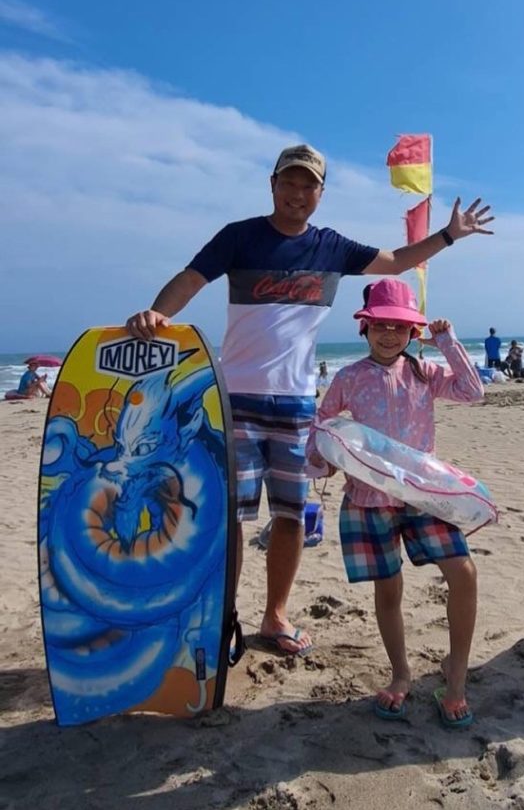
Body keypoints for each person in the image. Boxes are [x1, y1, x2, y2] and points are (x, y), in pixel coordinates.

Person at [125, 144, 493, 656]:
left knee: (291, 515)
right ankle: (222, 618)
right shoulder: (239, 237)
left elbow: (395, 261)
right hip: (237, 399)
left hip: (298, 404)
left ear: (321, 193)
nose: (298, 193)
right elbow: (191, 278)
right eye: (289, 182)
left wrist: (449, 235)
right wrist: (157, 314)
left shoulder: (330, 247)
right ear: (273, 184)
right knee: (230, 518)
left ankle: (275, 615)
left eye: (309, 186)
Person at [306, 278, 482, 727]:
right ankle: (401, 674)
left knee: (463, 573)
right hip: (369, 499)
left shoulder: (424, 373)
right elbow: (322, 423)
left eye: (400, 326)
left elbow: (473, 390)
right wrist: (321, 460)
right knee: (388, 589)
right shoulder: (348, 378)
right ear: (365, 327)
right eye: (381, 325)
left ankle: (455, 678)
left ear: (412, 332)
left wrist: (447, 342)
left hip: (423, 496)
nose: (389, 334)